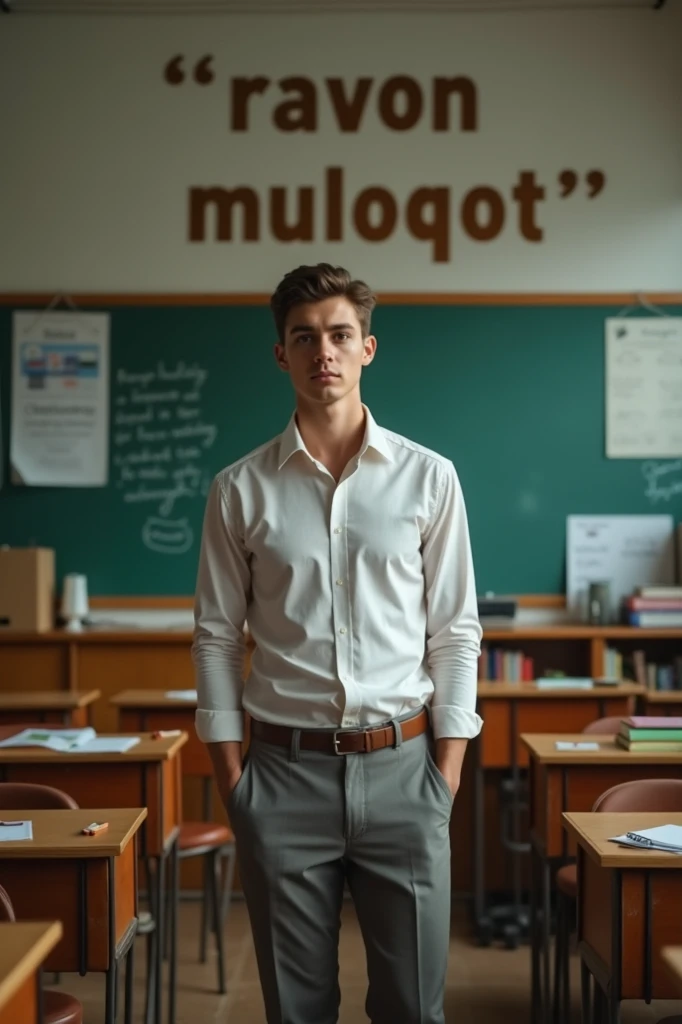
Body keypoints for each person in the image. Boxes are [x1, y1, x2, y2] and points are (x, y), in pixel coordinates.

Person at [192, 263, 483, 1024]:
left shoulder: (430, 479)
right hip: (282, 778)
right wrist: (235, 779)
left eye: (339, 334)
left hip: (406, 772)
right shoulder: (239, 489)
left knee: (413, 1008)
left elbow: (455, 632)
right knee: (297, 1010)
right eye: (304, 337)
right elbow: (217, 638)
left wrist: (444, 775)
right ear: (281, 355)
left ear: (367, 349)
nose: (323, 350)